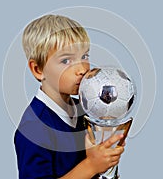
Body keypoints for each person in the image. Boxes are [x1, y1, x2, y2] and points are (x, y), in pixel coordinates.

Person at [14, 14, 125, 179]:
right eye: (66, 61)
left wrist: (106, 151)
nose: (81, 69)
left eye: (84, 57)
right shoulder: (33, 128)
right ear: (38, 69)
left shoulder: (84, 108)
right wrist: (91, 165)